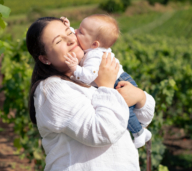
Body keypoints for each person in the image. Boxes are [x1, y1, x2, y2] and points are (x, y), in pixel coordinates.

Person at [26, 17, 155, 171]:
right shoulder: (52, 89)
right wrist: (106, 86)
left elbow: (139, 120)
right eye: (58, 41)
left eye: (70, 33)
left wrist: (140, 97)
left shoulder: (88, 75)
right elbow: (102, 132)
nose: (70, 40)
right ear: (45, 58)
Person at [61, 14, 151, 148]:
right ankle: (141, 130)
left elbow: (89, 76)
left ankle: (139, 132)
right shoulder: (93, 46)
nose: (75, 32)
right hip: (120, 79)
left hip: (118, 82)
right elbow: (84, 35)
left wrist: (75, 68)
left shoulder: (95, 55)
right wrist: (67, 28)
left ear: (94, 44)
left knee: (124, 110)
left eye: (80, 31)